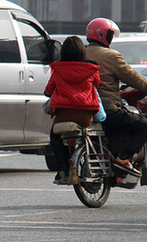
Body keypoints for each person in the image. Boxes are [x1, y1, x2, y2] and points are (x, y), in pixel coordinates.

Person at [85, 17, 147, 177]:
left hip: (85, 110)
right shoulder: (111, 56)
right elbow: (132, 77)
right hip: (108, 110)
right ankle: (123, 160)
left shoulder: (81, 53)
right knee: (146, 127)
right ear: (104, 35)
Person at [44, 36, 101, 184]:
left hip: (63, 115)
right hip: (85, 115)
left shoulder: (57, 69)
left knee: (55, 136)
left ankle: (62, 170)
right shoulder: (92, 69)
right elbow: (98, 85)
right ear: (83, 51)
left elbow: (48, 90)